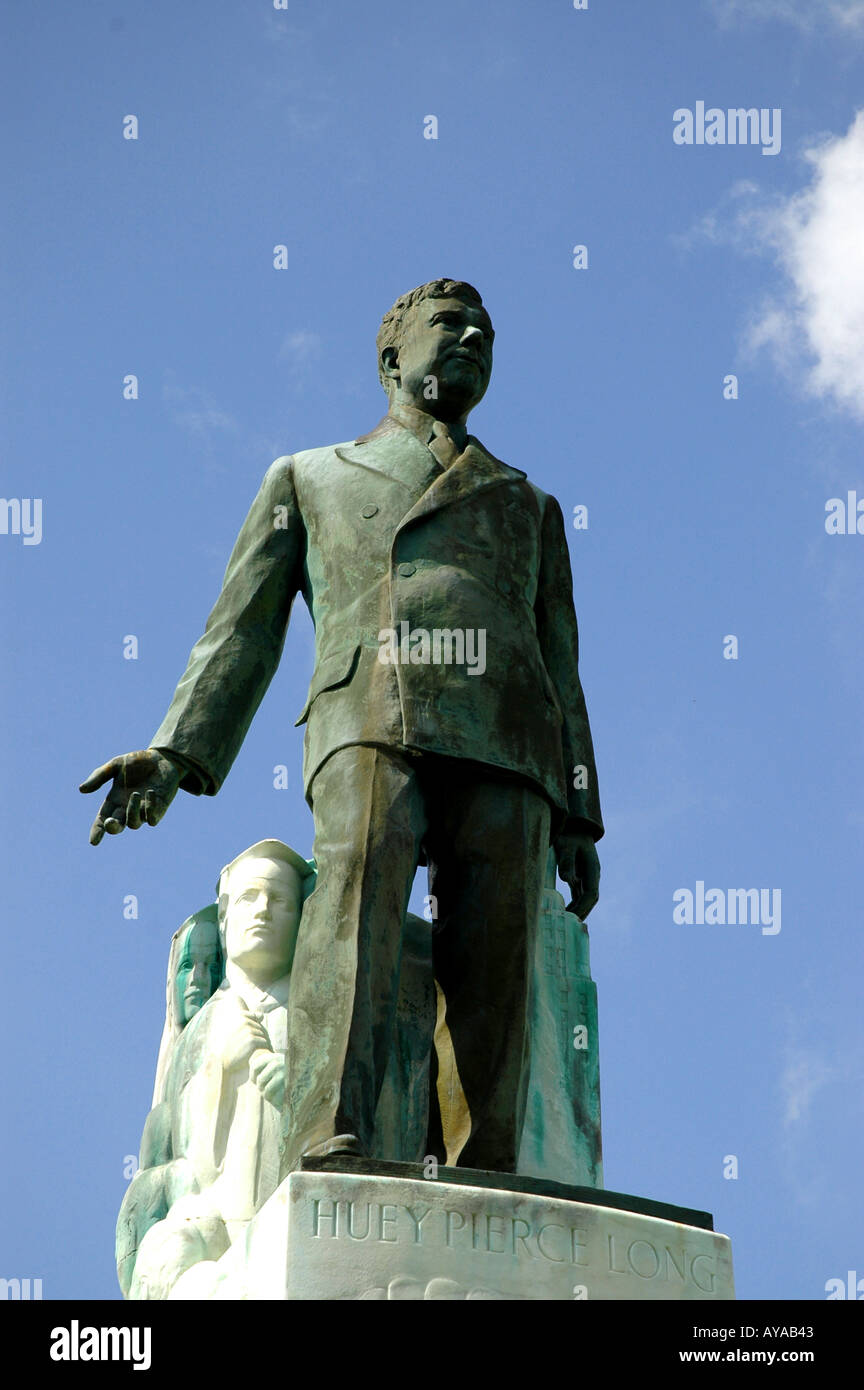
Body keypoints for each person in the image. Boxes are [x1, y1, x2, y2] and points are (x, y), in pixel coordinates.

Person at [81, 279, 603, 1176]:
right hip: (369, 714)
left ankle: (485, 1171)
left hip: (508, 740)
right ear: (391, 355)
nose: (473, 335)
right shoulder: (310, 476)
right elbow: (243, 628)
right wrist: (176, 749)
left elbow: (563, 668)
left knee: (495, 958)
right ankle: (329, 1138)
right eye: (449, 324)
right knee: (350, 911)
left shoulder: (528, 504)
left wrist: (580, 815)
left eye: (486, 329)